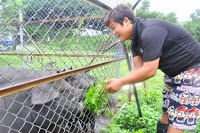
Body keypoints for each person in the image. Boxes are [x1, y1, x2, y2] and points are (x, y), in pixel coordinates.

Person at [104, 4, 200, 133]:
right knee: (167, 113)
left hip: (193, 71)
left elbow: (149, 71)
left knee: (177, 122)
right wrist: (119, 81)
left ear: (126, 21)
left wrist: (121, 82)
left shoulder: (150, 31)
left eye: (113, 27)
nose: (113, 33)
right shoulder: (135, 42)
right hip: (173, 74)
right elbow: (138, 69)